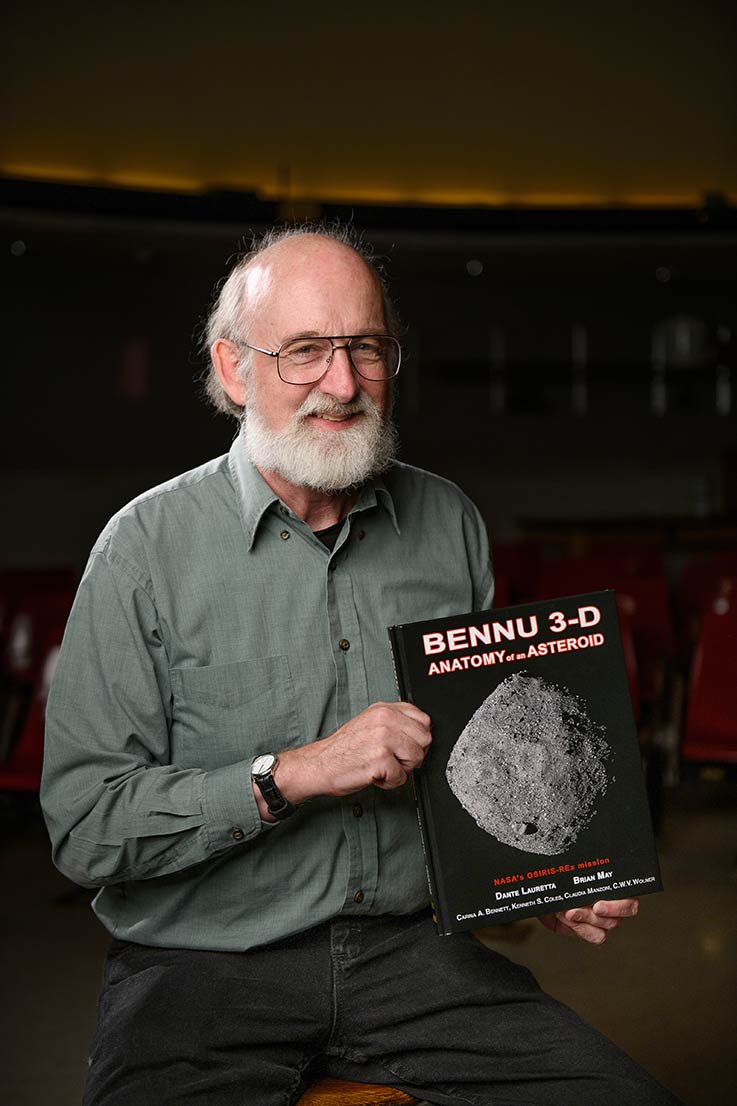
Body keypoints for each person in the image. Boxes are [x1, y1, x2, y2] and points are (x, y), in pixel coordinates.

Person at [41, 225, 682, 1106]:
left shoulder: (447, 521)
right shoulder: (142, 549)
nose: (342, 385)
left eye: (365, 349)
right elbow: (83, 828)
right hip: (200, 964)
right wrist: (296, 773)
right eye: (304, 352)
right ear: (234, 370)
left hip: (413, 955)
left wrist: (539, 886)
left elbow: (473, 771)